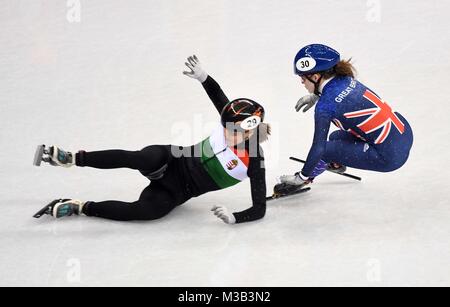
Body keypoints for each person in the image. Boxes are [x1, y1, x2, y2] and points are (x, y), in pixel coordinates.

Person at [34, 56, 270, 224]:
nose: (227, 133)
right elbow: (217, 94)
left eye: (233, 132)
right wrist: (203, 77)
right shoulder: (231, 119)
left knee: (146, 211)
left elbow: (259, 209)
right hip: (173, 159)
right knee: (140, 158)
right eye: (225, 127)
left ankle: (79, 207)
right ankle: (71, 158)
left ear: (249, 131)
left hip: (179, 191)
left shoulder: (255, 160)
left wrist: (234, 218)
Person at [280, 44, 413, 187]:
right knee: (336, 137)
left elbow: (319, 148)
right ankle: (337, 163)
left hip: (389, 157)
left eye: (303, 78)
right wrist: (316, 96)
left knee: (327, 150)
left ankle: (307, 179)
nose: (301, 82)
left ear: (316, 77)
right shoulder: (346, 79)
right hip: (403, 134)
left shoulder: (325, 107)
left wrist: (301, 176)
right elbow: (343, 98)